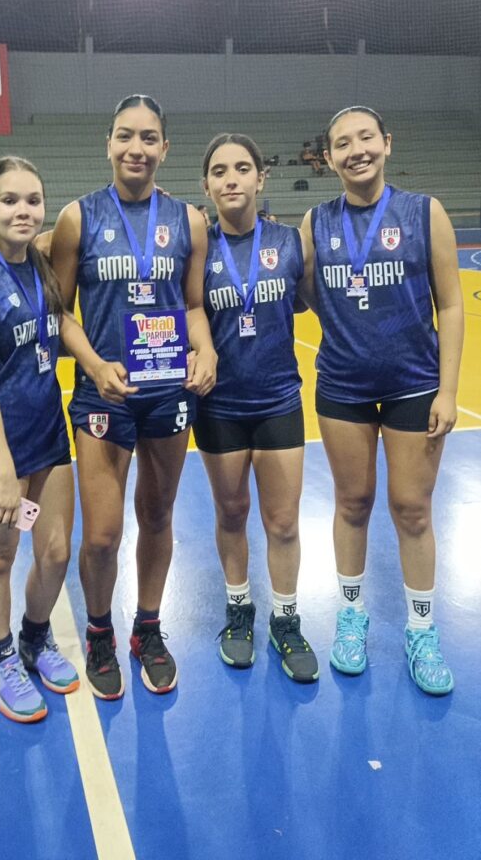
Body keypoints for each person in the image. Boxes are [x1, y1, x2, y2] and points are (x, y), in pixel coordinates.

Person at [51, 94, 218, 700]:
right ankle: (100, 630)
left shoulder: (189, 222)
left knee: (157, 515)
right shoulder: (78, 218)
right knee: (100, 534)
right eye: (126, 135)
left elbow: (194, 305)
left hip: (168, 391)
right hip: (105, 394)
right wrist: (93, 363)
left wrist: (208, 351)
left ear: (164, 149)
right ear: (109, 142)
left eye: (149, 138)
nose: (137, 148)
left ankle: (147, 628)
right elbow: (60, 312)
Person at [300, 105, 463, 695]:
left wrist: (447, 390)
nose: (355, 150)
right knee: (352, 502)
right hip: (342, 385)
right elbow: (309, 294)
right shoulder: (315, 222)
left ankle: (421, 629)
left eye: (365, 137)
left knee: (412, 508)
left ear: (387, 144)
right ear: (329, 157)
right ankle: (350, 615)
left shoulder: (425, 212)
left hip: (415, 385)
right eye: (342, 142)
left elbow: (451, 303)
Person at [0, 157, 82, 723]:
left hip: (49, 435)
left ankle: (34, 637)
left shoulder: (43, 266)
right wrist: (4, 472)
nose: (22, 210)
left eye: (32, 199)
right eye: (9, 200)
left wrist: (99, 364)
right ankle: (1, 658)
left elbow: (61, 325)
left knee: (55, 551)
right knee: (0, 556)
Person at [195, 134, 318, 683]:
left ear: (261, 177)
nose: (231, 179)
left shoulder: (290, 243)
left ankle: (286, 619)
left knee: (284, 521)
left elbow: (312, 300)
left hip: (278, 402)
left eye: (243, 168)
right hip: (219, 407)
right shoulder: (197, 253)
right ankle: (239, 610)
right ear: (206, 185)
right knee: (231, 514)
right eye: (219, 171)